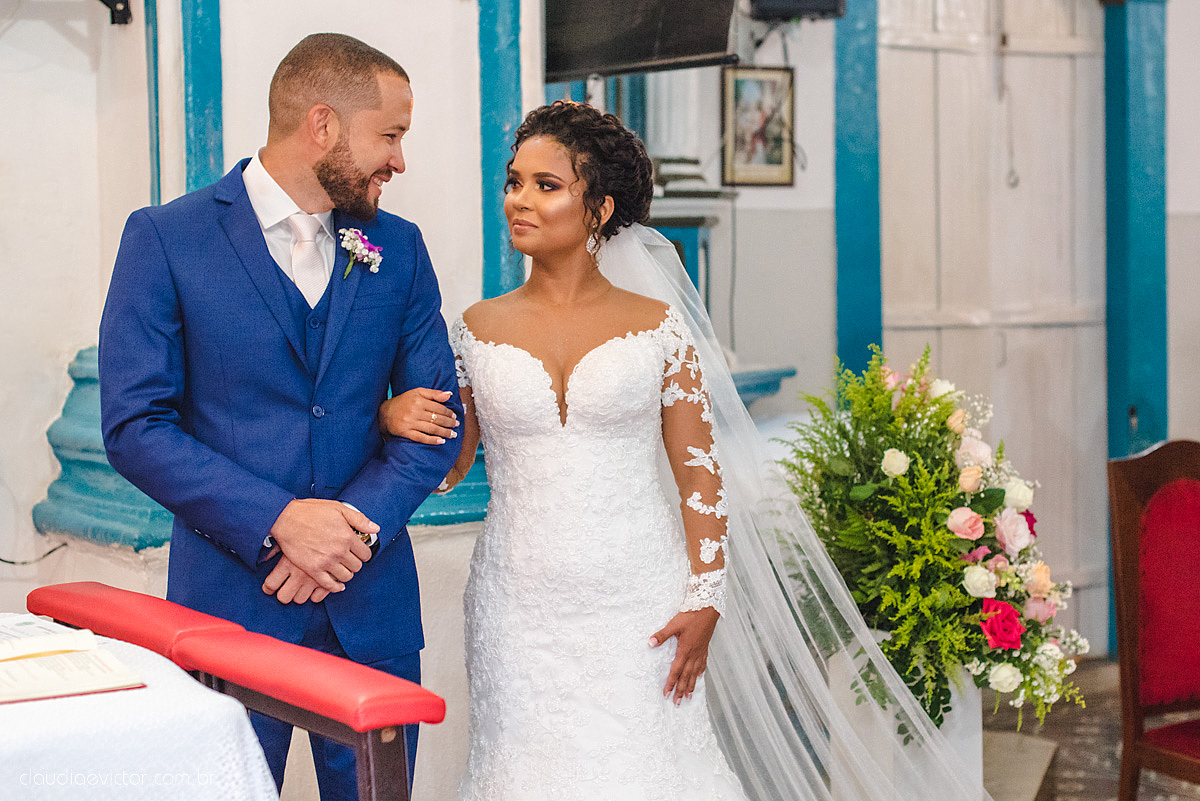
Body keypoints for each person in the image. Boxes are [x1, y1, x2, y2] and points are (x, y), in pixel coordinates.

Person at [382, 102, 995, 801]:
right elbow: (451, 465)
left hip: (640, 599)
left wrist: (706, 596)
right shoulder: (476, 328)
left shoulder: (659, 327)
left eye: (546, 185)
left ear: (599, 207)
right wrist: (396, 417)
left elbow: (698, 472)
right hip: (516, 606)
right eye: (514, 182)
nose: (519, 199)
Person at [98, 33, 462, 799]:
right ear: (322, 125)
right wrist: (280, 521)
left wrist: (348, 527)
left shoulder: (398, 247)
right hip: (228, 607)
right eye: (390, 136)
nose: (399, 161)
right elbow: (135, 425)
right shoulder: (166, 239)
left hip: (372, 612)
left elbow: (438, 419)